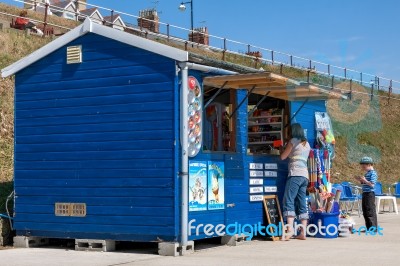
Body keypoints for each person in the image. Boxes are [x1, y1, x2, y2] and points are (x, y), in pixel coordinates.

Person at [280, 123, 311, 240]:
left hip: (295, 174)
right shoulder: (306, 143)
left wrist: (281, 149)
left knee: (288, 200)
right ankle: (303, 232)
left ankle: (290, 230)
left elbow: (283, 157)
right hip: (305, 176)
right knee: (301, 201)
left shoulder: (293, 141)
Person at [354, 157, 378, 231]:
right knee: (365, 211)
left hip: (369, 193)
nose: (363, 168)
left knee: (370, 210)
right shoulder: (367, 173)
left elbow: (372, 185)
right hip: (365, 193)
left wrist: (365, 180)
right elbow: (366, 183)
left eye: (364, 166)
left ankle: (373, 228)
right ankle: (368, 227)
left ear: (369, 164)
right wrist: (361, 180)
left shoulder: (373, 173)